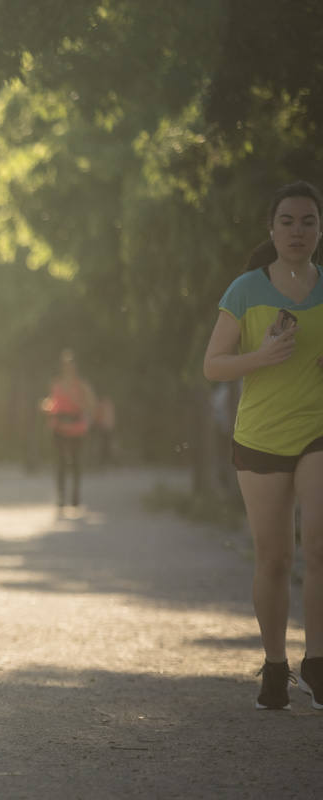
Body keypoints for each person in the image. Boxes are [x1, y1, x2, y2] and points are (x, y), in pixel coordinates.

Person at [203, 179, 323, 711]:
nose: (298, 231)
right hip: (260, 437)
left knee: (319, 546)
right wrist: (262, 356)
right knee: (274, 557)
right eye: (287, 222)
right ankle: (275, 665)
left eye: (308, 222)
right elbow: (213, 366)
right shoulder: (245, 290)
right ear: (271, 230)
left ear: (320, 230)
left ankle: (316, 663)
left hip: (318, 430)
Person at [40, 349, 96, 516]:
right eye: (65, 365)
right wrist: (46, 407)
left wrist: (86, 418)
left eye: (70, 364)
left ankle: (75, 496)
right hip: (59, 427)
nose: (68, 368)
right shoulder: (56, 384)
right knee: (61, 463)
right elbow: (52, 403)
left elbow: (91, 404)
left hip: (77, 427)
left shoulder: (82, 385)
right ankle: (61, 497)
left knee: (77, 463)